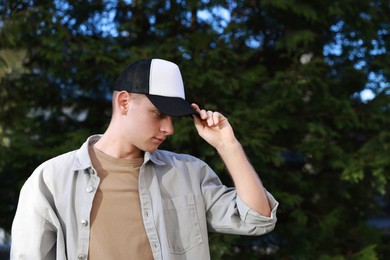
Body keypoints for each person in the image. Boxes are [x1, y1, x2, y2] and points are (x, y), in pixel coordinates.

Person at [11, 58, 278, 260]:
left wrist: (227, 145)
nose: (169, 128)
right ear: (124, 103)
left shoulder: (188, 173)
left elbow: (258, 218)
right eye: (158, 114)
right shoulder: (51, 180)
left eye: (173, 117)